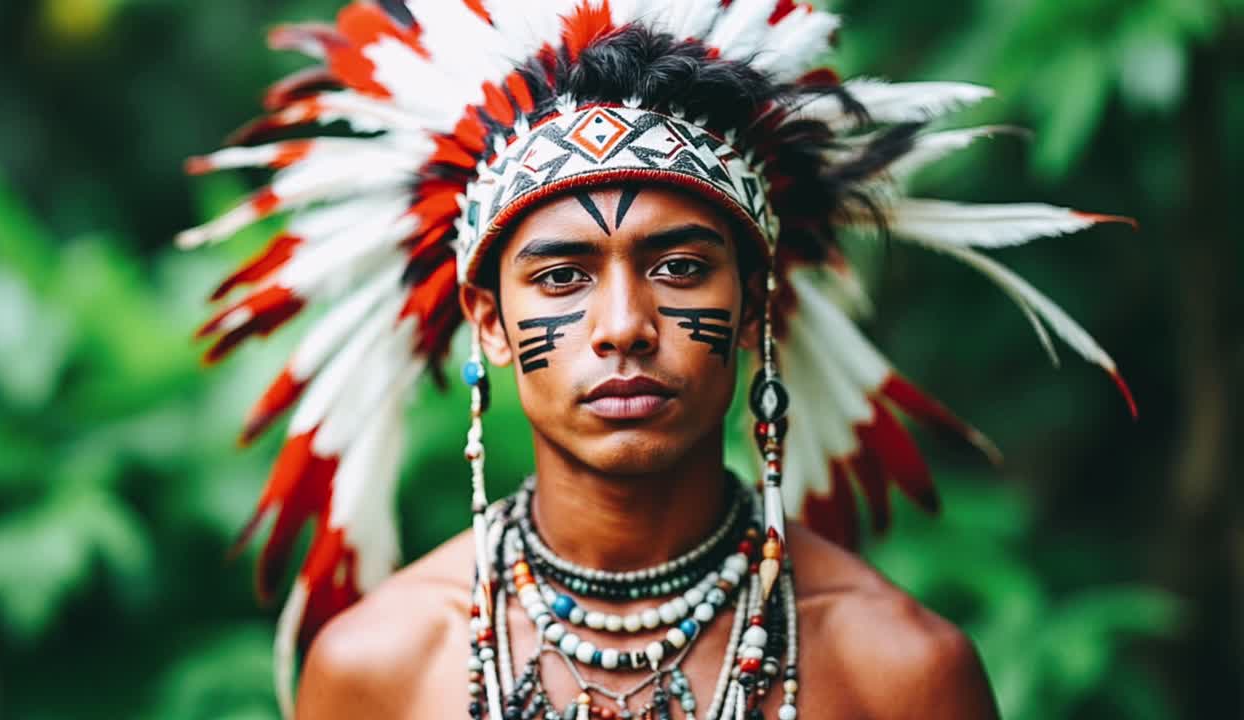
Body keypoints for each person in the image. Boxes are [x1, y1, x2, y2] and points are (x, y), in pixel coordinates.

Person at [178, 2, 1133, 718]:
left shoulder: (899, 675)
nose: (624, 324)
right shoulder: (378, 670)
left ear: (755, 305)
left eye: (679, 267)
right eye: (562, 276)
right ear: (490, 322)